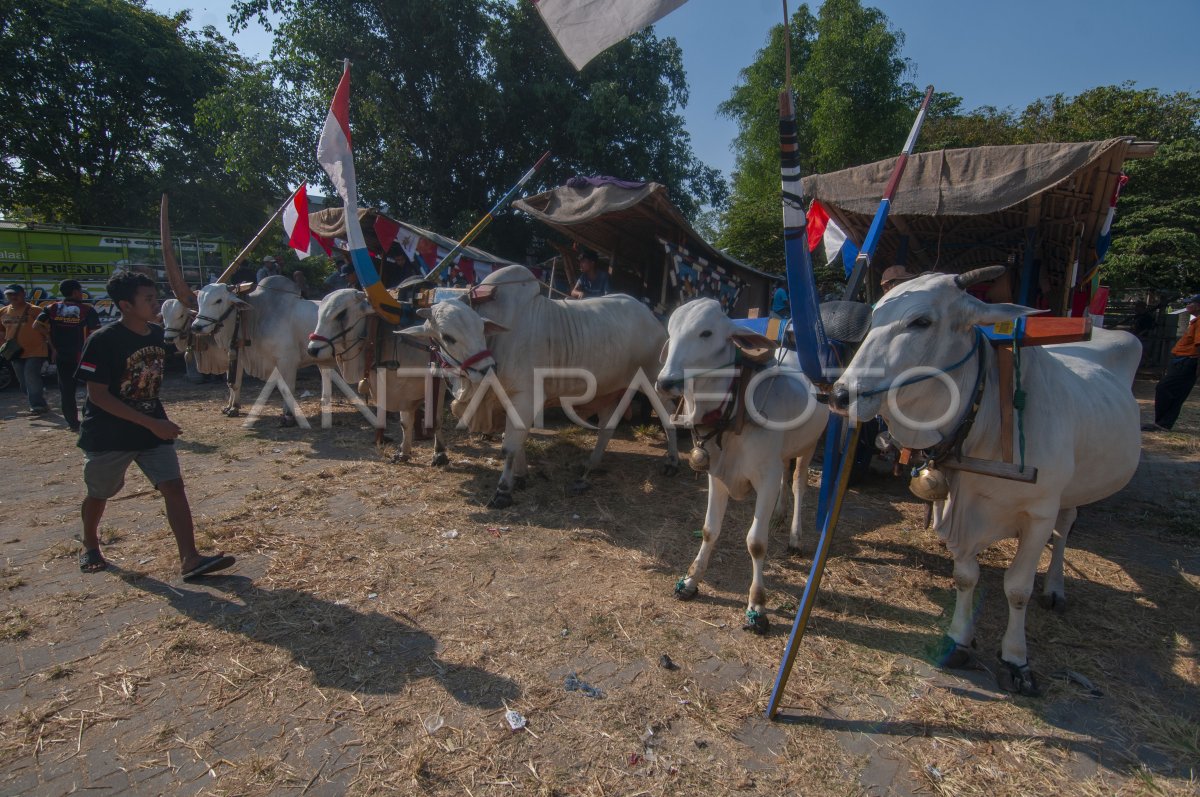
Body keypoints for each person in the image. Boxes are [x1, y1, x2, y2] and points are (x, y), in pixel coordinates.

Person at [74, 271, 235, 579]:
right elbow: (98, 396)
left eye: (155, 296)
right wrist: (151, 422)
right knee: (100, 492)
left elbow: (198, 344)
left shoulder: (155, 335)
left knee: (173, 486)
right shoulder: (102, 341)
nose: (156, 303)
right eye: (148, 299)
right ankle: (90, 543)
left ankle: (190, 559)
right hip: (109, 433)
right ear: (126, 305)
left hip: (152, 428)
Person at [36, 279, 101, 431]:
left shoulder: (51, 308)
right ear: (76, 292)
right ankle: (88, 417)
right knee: (92, 387)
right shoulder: (86, 310)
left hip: (62, 355)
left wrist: (51, 343)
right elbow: (96, 334)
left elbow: (37, 325)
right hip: (83, 356)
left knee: (66, 390)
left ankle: (73, 423)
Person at [1146, 293, 1200, 432]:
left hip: (1187, 361)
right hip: (1184, 361)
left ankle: (1163, 423)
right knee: (1175, 392)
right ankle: (1163, 423)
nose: (1188, 305)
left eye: (1191, 303)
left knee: (1164, 388)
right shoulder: (1195, 321)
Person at [0, 283, 50, 414]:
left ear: (23, 294)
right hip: (14, 352)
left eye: (15, 294)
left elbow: (48, 329)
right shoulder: (3, 311)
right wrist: (3, 347)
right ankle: (40, 403)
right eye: (9, 294)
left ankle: (37, 406)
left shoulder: (35, 310)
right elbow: (1, 332)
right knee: (23, 381)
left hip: (35, 350)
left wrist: (52, 345)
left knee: (31, 376)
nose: (13, 296)